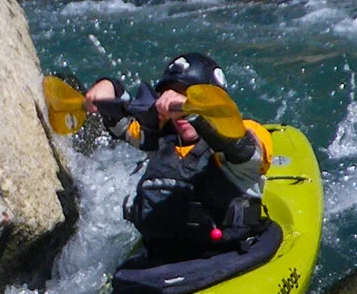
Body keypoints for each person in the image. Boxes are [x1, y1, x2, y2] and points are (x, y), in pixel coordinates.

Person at [83, 52, 269, 261]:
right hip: (166, 258)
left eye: (188, 94)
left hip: (229, 255)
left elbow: (239, 146)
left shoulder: (245, 134)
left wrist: (192, 110)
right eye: (172, 95)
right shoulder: (162, 139)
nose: (177, 110)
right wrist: (108, 86)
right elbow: (121, 121)